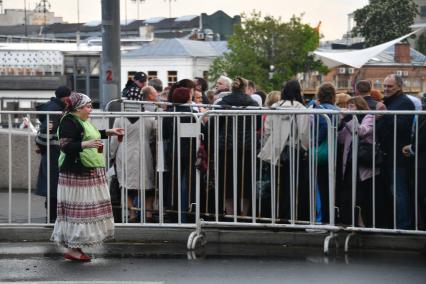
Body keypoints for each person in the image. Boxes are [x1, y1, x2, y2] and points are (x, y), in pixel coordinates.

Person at [51, 92, 124, 261]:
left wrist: (109, 132)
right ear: (78, 108)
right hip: (78, 172)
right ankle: (74, 249)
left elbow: (89, 134)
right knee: (79, 212)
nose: (91, 110)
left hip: (88, 170)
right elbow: (66, 146)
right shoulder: (69, 121)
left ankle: (76, 247)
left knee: (84, 212)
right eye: (88, 106)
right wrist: (86, 145)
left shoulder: (81, 121)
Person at [258, 80, 309, 221]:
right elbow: (304, 132)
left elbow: (267, 129)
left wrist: (271, 144)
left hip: (275, 149)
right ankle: (290, 216)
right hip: (293, 149)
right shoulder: (301, 108)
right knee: (292, 185)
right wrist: (304, 148)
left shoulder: (275, 106)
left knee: (276, 184)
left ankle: (276, 215)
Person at [377, 74, 415, 229]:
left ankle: (403, 227)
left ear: (399, 87)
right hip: (387, 155)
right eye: (385, 86)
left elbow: (402, 126)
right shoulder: (388, 102)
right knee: (391, 193)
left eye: (390, 86)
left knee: (400, 193)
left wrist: (385, 115)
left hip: (398, 156)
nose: (386, 89)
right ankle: (393, 224)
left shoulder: (405, 102)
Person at [337, 96, 379, 227]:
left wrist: (350, 119)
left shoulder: (369, 116)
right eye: (348, 106)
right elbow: (341, 139)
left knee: (362, 197)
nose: (349, 109)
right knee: (348, 194)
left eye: (352, 106)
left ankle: (363, 225)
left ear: (360, 106)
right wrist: (340, 121)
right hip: (349, 163)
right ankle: (351, 223)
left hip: (363, 164)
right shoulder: (349, 120)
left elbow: (362, 131)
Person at [110, 111, 157, 222]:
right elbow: (156, 134)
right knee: (148, 184)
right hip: (144, 152)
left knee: (126, 185)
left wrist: (112, 155)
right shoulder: (149, 117)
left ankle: (132, 215)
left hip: (124, 152)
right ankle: (148, 214)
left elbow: (115, 140)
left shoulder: (119, 118)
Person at [35, 85, 71, 223]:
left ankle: (52, 217)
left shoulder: (53, 107)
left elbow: (42, 136)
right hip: (54, 154)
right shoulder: (56, 110)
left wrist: (41, 147)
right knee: (54, 186)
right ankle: (52, 218)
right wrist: (43, 146)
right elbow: (45, 134)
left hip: (51, 153)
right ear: (66, 97)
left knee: (52, 186)